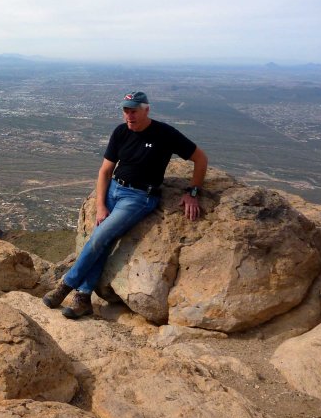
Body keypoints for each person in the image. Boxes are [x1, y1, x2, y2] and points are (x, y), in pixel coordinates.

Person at [43, 90, 208, 319]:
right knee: (103, 238)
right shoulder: (121, 132)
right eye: (126, 111)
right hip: (114, 190)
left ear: (146, 110)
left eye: (134, 111)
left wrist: (193, 192)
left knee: (100, 237)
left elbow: (200, 158)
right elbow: (105, 171)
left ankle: (66, 286)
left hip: (139, 197)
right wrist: (101, 205)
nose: (129, 116)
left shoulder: (165, 134)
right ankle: (83, 297)